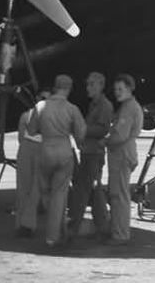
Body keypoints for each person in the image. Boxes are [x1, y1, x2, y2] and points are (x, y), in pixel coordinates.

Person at [28, 74, 86, 248]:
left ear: (55, 86)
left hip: (45, 150)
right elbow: (81, 133)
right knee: (60, 194)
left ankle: (55, 228)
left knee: (46, 191)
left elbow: (31, 130)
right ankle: (53, 236)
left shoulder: (41, 106)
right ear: (68, 89)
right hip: (64, 151)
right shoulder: (72, 109)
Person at [67, 72, 113, 239]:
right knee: (93, 189)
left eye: (91, 85)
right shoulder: (95, 105)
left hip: (94, 154)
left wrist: (82, 129)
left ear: (101, 86)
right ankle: (102, 225)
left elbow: (103, 129)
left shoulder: (104, 106)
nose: (88, 88)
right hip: (89, 151)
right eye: (88, 84)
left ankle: (74, 226)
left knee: (84, 189)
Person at [101, 73, 143, 245]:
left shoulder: (128, 108)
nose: (117, 92)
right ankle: (117, 230)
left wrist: (104, 141)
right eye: (116, 89)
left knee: (119, 195)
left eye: (121, 89)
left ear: (129, 89)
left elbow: (120, 135)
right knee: (118, 193)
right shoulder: (128, 106)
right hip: (123, 153)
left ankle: (120, 234)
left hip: (121, 153)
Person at [15, 89, 49, 237]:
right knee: (30, 189)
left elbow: (21, 137)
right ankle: (26, 224)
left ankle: (25, 224)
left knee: (29, 189)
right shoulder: (46, 116)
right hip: (36, 150)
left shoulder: (26, 115)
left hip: (30, 149)